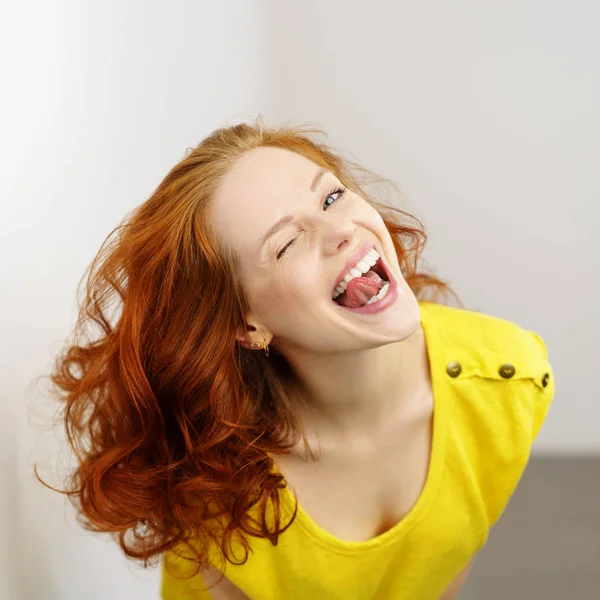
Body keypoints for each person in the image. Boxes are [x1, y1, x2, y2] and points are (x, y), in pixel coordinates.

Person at [37, 119, 555, 600]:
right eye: (286, 245)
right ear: (247, 325)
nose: (343, 230)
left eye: (332, 196)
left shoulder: (510, 380)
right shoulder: (211, 471)